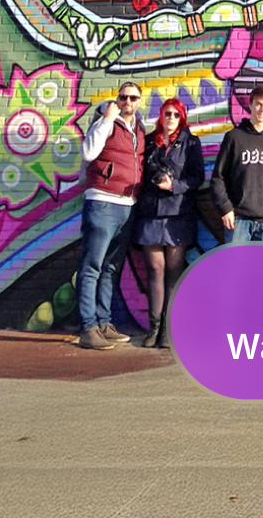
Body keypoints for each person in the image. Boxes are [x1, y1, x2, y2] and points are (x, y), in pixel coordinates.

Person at [76, 81, 147, 350]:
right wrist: (107, 119)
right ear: (117, 100)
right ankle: (87, 327)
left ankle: (104, 323)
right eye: (124, 97)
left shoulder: (138, 129)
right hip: (102, 204)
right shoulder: (105, 123)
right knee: (91, 267)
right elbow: (88, 152)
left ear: (139, 102)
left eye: (133, 98)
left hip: (127, 206)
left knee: (110, 268)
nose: (128, 102)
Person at [133, 98, 204, 349]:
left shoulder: (191, 143)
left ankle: (168, 329)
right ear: (161, 116)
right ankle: (153, 327)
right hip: (150, 213)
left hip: (178, 215)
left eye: (175, 114)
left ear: (181, 117)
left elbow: (198, 177)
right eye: (167, 113)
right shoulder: (150, 141)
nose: (171, 118)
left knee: (174, 272)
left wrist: (174, 186)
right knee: (155, 270)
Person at [210, 86, 263, 244]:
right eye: (258, 104)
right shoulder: (234, 137)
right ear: (250, 105)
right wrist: (226, 208)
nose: (262, 109)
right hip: (238, 219)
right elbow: (218, 177)